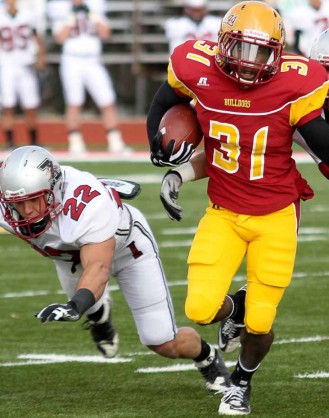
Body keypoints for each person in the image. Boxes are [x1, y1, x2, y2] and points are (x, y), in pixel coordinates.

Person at [147, 2, 329, 414]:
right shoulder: (192, 65)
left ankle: (241, 381)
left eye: (262, 53)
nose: (251, 64)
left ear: (279, 51)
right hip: (223, 210)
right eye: (242, 50)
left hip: (275, 214)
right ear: (222, 44)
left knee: (260, 322)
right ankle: (235, 306)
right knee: (199, 308)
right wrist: (165, 161)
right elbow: (162, 103)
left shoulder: (297, 81)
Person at [0, 145, 231, 395]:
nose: (26, 212)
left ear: (54, 188)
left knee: (161, 341)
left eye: (33, 200)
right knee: (87, 302)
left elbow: (98, 268)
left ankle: (207, 357)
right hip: (69, 257)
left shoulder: (88, 204)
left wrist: (75, 305)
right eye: (17, 204)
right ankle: (99, 316)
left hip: (129, 250)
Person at [47, 0, 130, 155]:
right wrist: (72, 16)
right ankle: (75, 142)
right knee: (74, 102)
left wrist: (91, 14)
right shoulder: (60, 7)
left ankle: (115, 142)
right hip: (72, 59)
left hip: (93, 59)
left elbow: (106, 33)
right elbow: (60, 38)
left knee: (107, 100)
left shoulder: (95, 5)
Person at [0, 0, 46, 149]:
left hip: (25, 65)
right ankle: (10, 142)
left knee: (31, 105)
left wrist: (41, 55)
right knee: (8, 106)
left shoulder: (28, 14)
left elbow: (36, 36)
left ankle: (34, 141)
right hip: (6, 65)